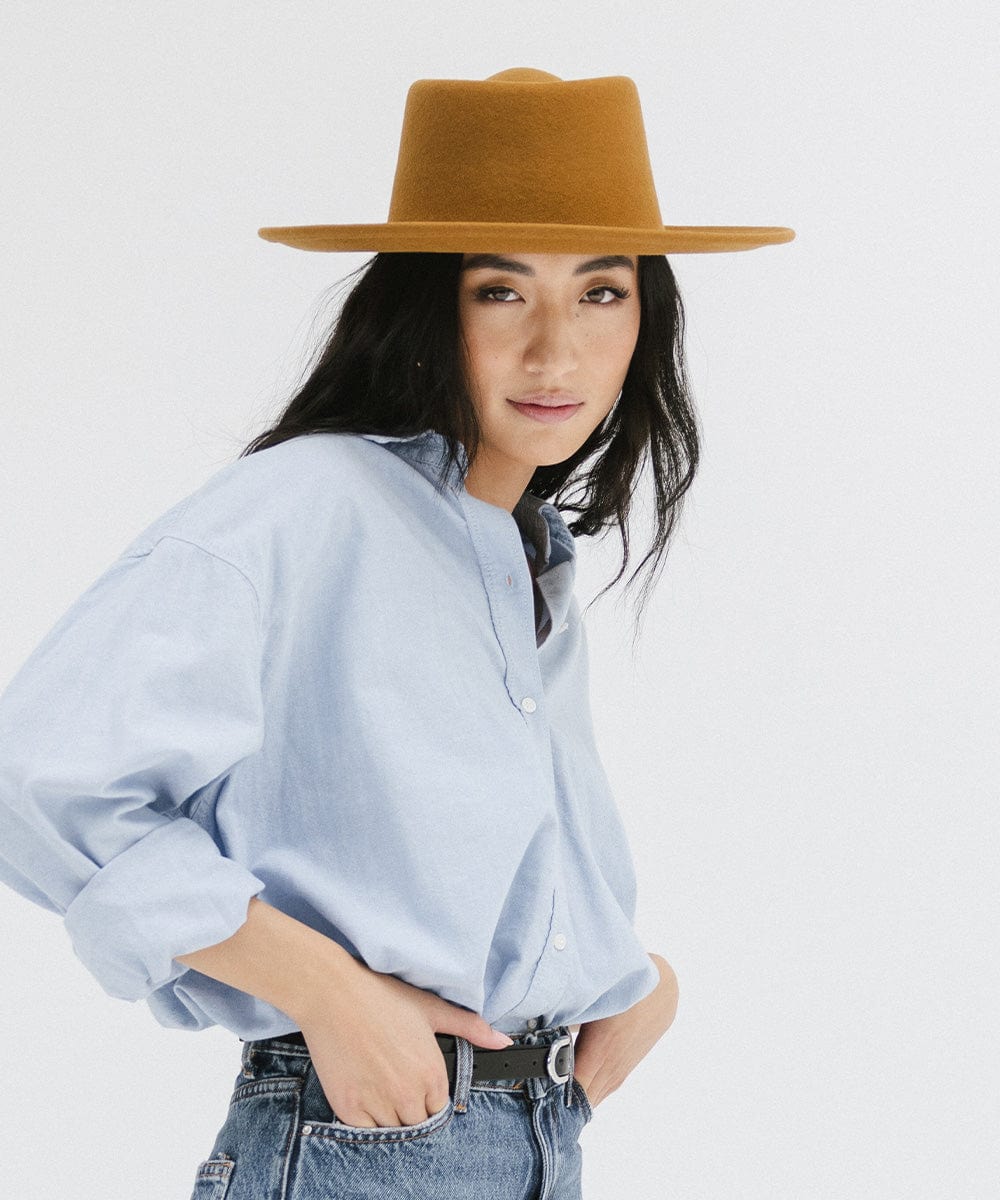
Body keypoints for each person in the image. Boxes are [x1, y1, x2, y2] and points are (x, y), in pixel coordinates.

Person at [0, 67, 793, 1199]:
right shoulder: (309, 504)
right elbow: (41, 773)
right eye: (500, 293)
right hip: (363, 1140)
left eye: (602, 293)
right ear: (426, 305)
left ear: (646, 316)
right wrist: (324, 990)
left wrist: (626, 982)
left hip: (531, 1135)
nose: (555, 352)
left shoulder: (519, 553)